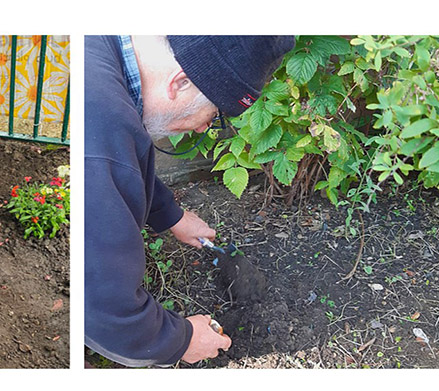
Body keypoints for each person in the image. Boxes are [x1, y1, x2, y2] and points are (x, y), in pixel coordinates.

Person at [85, 35, 294, 366]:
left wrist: (170, 214)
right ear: (179, 82)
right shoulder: (101, 131)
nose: (202, 129)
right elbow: (104, 307)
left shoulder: (103, 52)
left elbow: (121, 168)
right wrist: (179, 340)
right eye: (213, 114)